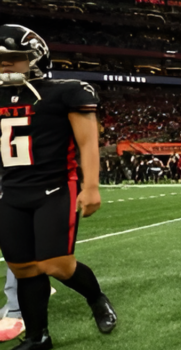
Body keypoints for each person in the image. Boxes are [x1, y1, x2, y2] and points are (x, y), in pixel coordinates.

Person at [0, 24, 117, 350]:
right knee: (23, 268)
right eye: (1, 59)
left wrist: (91, 186)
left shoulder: (64, 91)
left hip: (54, 187)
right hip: (11, 191)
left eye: (13, 58)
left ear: (35, 57)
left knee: (57, 264)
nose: (5, 64)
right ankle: (39, 337)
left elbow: (87, 142)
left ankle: (96, 298)